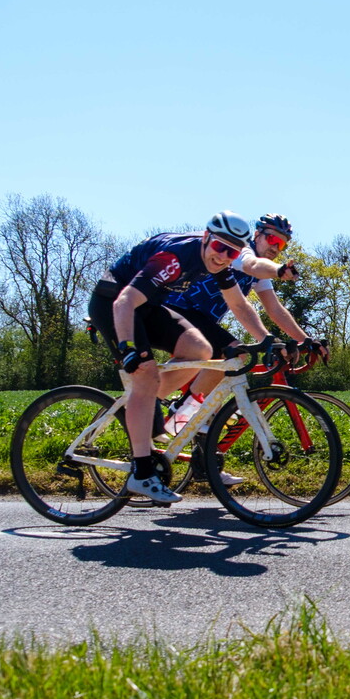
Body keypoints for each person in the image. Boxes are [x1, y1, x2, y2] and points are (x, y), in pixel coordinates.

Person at [87, 211, 276, 503]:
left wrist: (265, 340)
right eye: (219, 247)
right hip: (114, 303)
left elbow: (238, 305)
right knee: (145, 374)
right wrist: (127, 348)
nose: (224, 256)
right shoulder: (174, 257)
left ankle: (146, 406)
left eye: (232, 252)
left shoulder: (219, 264)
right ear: (205, 238)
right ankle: (142, 472)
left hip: (147, 306)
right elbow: (125, 301)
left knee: (200, 350)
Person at [160, 212, 326, 434]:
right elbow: (252, 265)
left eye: (282, 245)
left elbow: (275, 309)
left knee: (211, 407)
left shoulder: (260, 274)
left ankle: (203, 455)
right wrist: (277, 270)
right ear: (257, 235)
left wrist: (305, 340)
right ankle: (180, 414)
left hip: (202, 323)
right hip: (177, 311)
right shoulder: (237, 251)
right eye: (273, 239)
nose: (276, 248)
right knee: (234, 353)